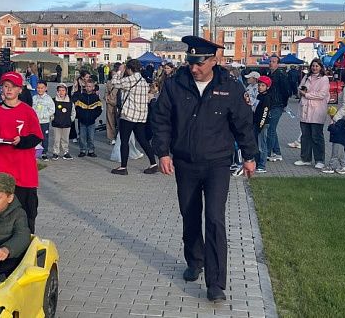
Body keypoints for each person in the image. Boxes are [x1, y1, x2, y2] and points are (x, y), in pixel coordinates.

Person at [150, 35, 257, 302]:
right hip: (185, 162)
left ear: (213, 60)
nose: (194, 68)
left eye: (199, 63)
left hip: (217, 163)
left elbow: (243, 123)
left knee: (214, 218)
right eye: (190, 62)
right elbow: (161, 119)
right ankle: (194, 260)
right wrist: (162, 152)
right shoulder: (176, 84)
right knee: (190, 214)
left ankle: (216, 282)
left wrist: (249, 156)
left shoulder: (229, 86)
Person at [0, 72, 44, 232]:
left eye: (13, 87)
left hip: (24, 170)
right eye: (6, 86)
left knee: (26, 212)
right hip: (1, 167)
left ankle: (25, 243)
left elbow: (37, 136)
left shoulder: (28, 111)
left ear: (20, 90)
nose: (9, 90)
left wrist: (21, 141)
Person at [110, 59, 159, 175]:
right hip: (141, 116)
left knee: (124, 140)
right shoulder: (143, 80)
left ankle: (123, 167)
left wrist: (118, 72)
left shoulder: (131, 79)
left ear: (130, 69)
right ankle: (153, 163)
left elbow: (115, 83)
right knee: (142, 140)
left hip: (129, 115)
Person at [294, 58, 330, 168]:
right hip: (305, 110)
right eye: (313, 66)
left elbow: (322, 94)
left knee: (317, 136)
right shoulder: (306, 77)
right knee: (305, 136)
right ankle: (305, 158)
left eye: (317, 66)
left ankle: (320, 160)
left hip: (317, 111)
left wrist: (307, 94)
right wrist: (301, 92)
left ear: (320, 67)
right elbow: (300, 89)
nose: (314, 68)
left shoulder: (324, 79)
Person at [266, 56, 291, 163]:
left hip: (277, 105)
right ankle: (277, 152)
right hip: (270, 104)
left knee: (270, 129)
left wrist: (284, 104)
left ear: (278, 64)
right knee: (271, 129)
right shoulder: (269, 74)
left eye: (273, 62)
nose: (271, 63)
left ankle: (267, 152)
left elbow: (286, 91)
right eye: (270, 61)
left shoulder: (280, 75)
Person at [74, 80, 102, 157]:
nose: (88, 88)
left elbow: (99, 109)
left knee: (91, 137)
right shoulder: (81, 96)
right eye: (86, 86)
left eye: (90, 86)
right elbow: (77, 108)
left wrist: (94, 116)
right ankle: (82, 150)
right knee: (82, 137)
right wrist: (80, 115)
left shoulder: (96, 98)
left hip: (92, 122)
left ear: (93, 87)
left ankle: (91, 150)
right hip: (82, 121)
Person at [50, 83, 75, 160]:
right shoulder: (54, 101)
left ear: (66, 91)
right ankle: (55, 152)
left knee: (65, 139)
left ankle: (65, 152)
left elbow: (73, 112)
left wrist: (71, 119)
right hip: (56, 124)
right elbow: (51, 111)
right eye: (59, 90)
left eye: (63, 90)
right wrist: (52, 118)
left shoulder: (70, 101)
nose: (61, 92)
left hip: (66, 123)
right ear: (57, 91)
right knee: (56, 139)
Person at [253, 76, 272, 173]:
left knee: (262, 145)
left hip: (263, 124)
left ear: (267, 87)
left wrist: (261, 125)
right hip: (256, 123)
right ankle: (256, 162)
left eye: (263, 85)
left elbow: (265, 112)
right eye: (259, 85)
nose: (260, 87)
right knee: (256, 144)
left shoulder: (266, 98)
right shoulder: (259, 96)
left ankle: (262, 165)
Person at [32, 81, 55, 161]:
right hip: (35, 122)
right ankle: (37, 154)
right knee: (36, 138)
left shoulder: (48, 99)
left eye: (42, 88)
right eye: (38, 88)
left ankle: (44, 153)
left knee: (44, 138)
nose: (40, 90)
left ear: (45, 88)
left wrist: (44, 116)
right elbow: (31, 109)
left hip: (44, 122)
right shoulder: (34, 98)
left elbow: (52, 110)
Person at [322, 105, 345, 174]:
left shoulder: (339, 121)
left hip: (338, 140)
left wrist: (331, 126)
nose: (331, 117)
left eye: (331, 115)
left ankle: (331, 167)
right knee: (341, 155)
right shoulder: (341, 121)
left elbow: (335, 130)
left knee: (335, 154)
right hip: (339, 140)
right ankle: (343, 166)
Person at [104, 69, 120, 145]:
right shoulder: (109, 83)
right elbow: (106, 93)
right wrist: (107, 99)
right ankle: (111, 137)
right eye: (113, 75)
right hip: (110, 103)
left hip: (119, 104)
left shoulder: (121, 83)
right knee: (110, 121)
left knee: (119, 121)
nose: (114, 76)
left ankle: (119, 136)